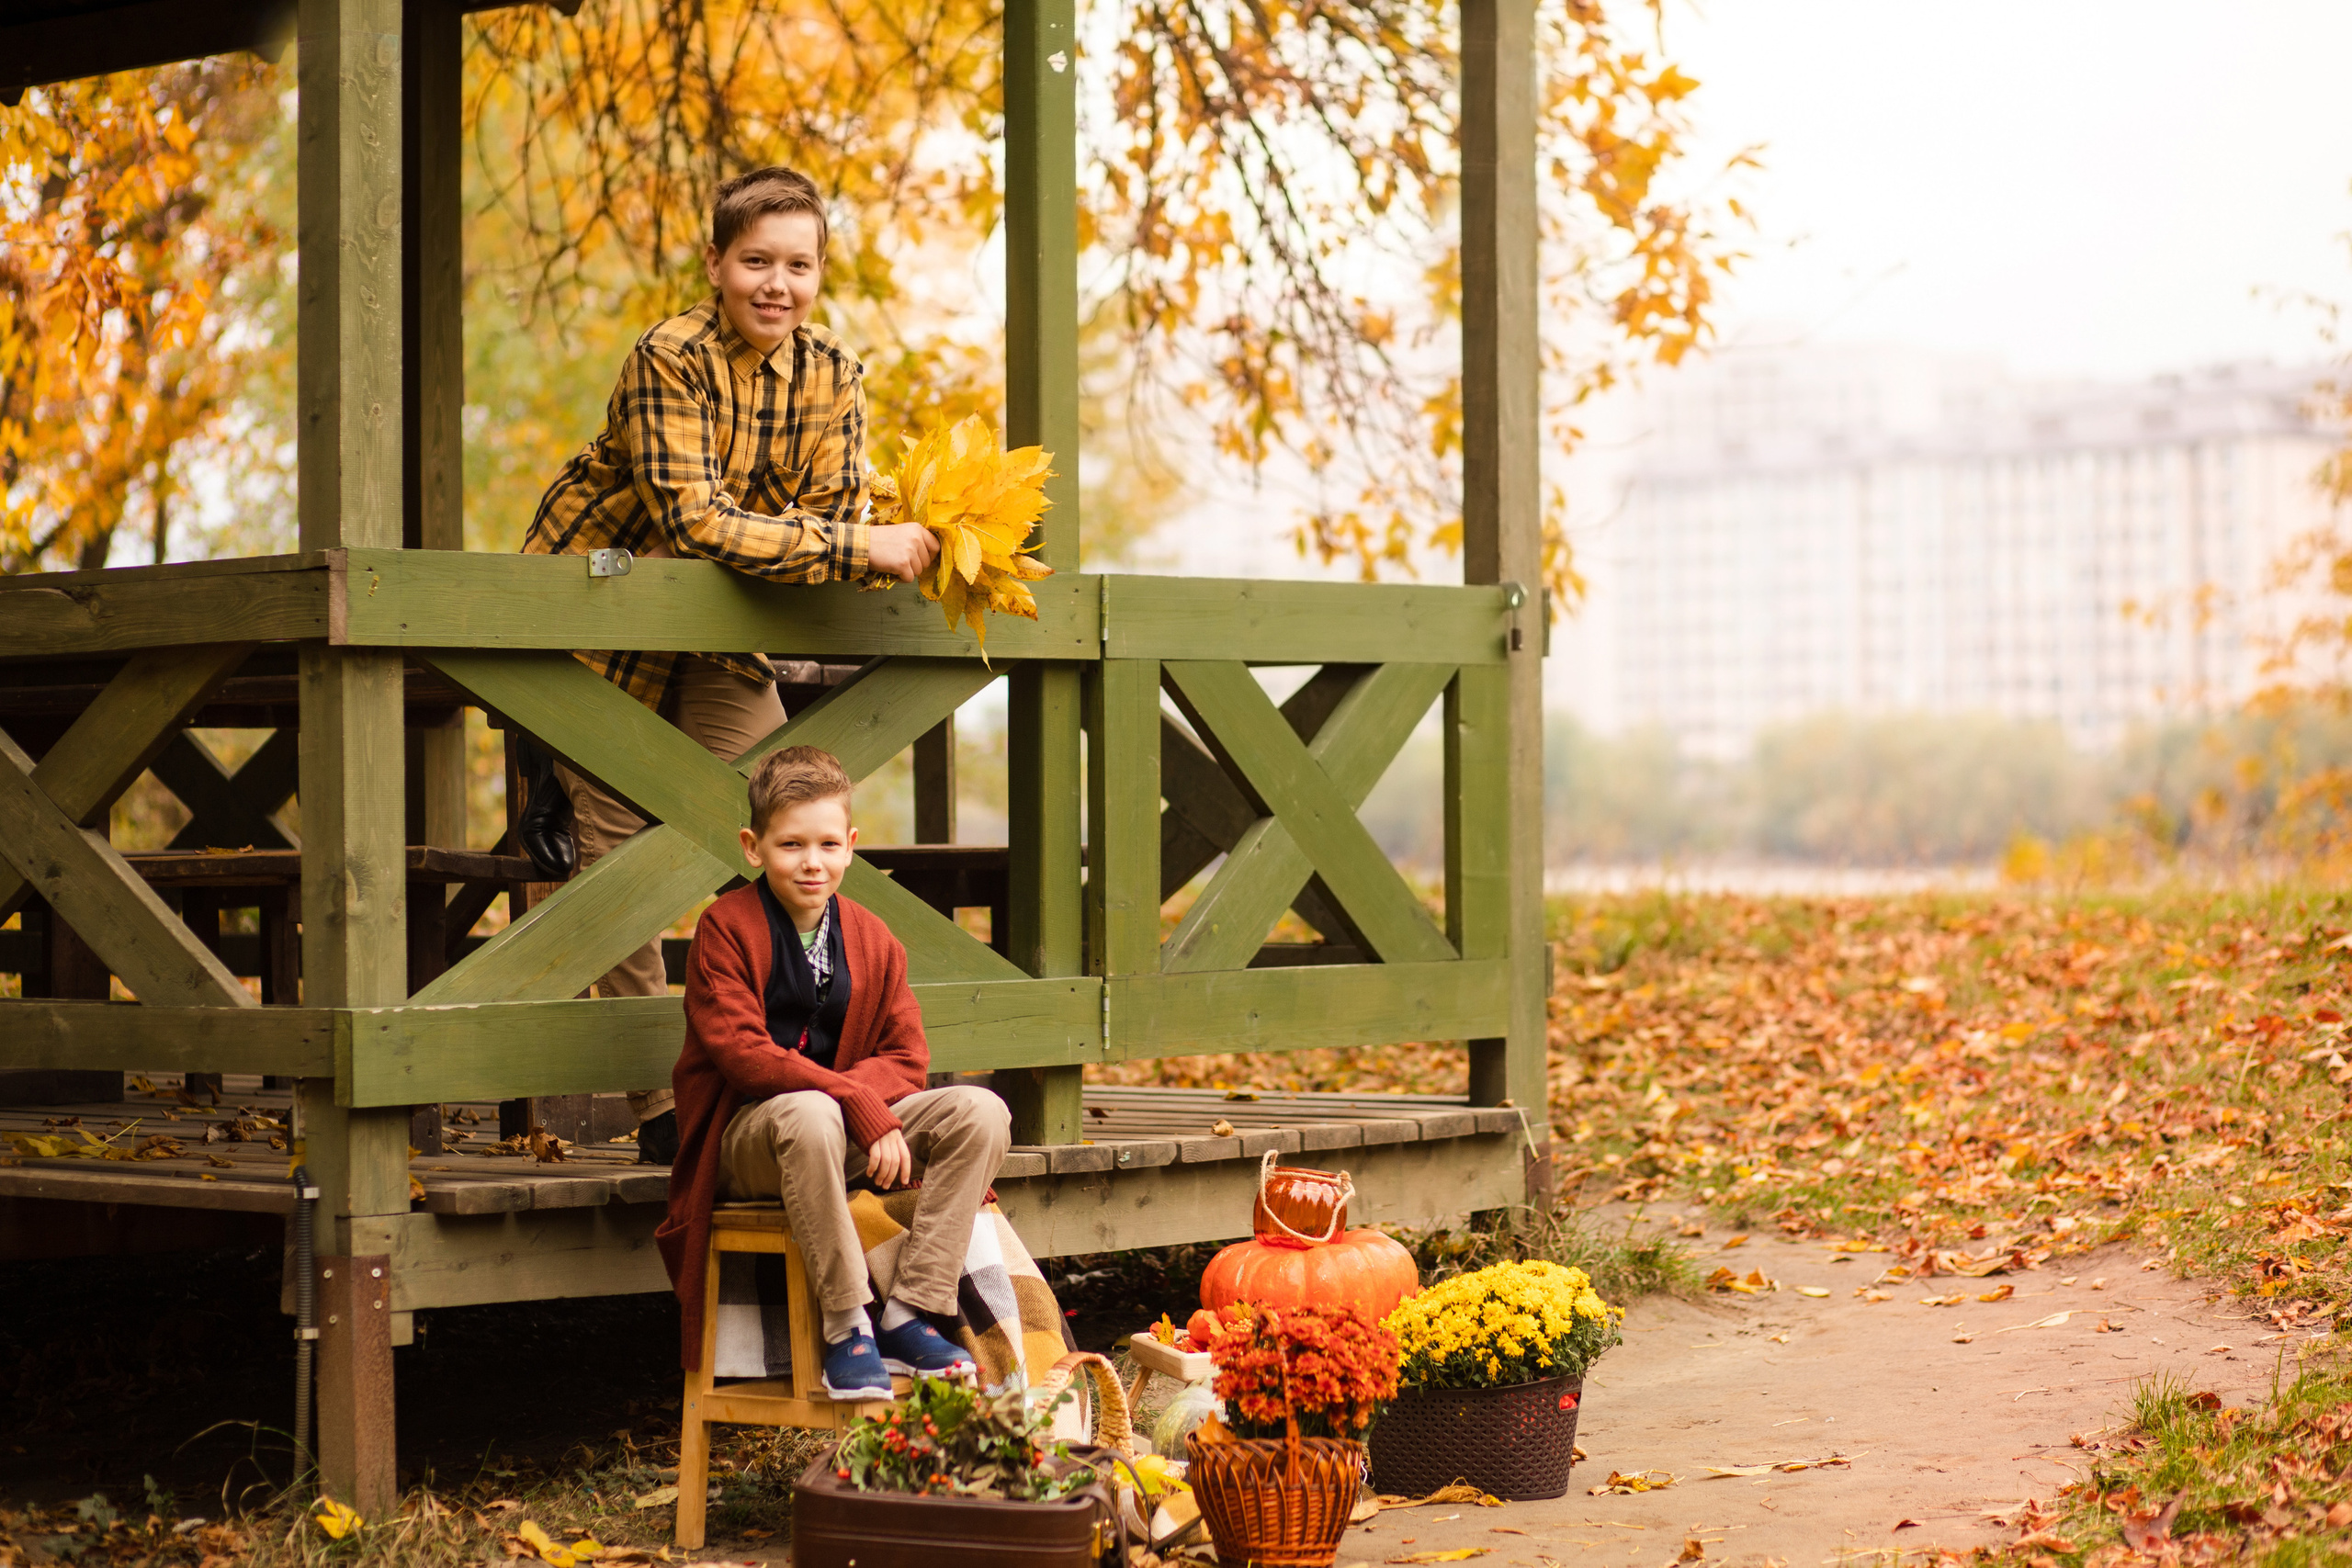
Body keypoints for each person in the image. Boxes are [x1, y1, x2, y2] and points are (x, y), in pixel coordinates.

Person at [520, 165, 941, 1161]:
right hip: (596, 614)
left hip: (711, 623)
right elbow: (690, 518)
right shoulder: (670, 356)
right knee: (618, 865)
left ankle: (786, 1062)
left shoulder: (834, 373)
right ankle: (661, 1116)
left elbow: (833, 522)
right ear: (714, 264)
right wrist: (839, 545)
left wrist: (890, 549)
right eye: (755, 260)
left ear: (820, 274)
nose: (775, 285)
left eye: (798, 265)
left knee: (781, 821)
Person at [653, 746, 1012, 1393]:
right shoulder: (723, 930)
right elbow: (745, 1055)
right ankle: (848, 1322)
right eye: (790, 844)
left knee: (982, 1111)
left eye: (826, 843)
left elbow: (908, 1058)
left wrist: (858, 1108)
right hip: (748, 1140)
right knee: (812, 1110)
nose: (811, 862)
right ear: (753, 846)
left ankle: (910, 1311)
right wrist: (855, 1101)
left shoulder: (875, 939)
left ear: (851, 845)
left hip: (836, 1132)